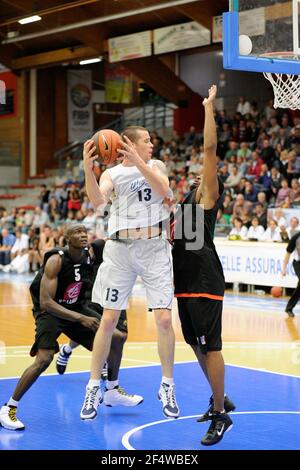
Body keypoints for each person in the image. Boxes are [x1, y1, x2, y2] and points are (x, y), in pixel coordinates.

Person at [0, 223, 142, 431]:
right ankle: (9, 408)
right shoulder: (56, 260)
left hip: (76, 307)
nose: (83, 235)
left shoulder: (90, 256)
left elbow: (112, 240)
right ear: (66, 239)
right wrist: (80, 318)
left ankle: (111, 389)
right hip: (49, 313)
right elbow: (46, 301)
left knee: (118, 337)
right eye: (77, 232)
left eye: (84, 231)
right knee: (44, 359)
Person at [80, 125, 178, 421]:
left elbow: (165, 192)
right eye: (147, 140)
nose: (152, 144)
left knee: (163, 317)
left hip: (154, 248)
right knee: (108, 320)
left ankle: (167, 385)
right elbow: (98, 202)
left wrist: (139, 162)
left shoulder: (156, 165)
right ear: (130, 143)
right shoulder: (112, 174)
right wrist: (88, 169)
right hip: (120, 249)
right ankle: (93, 387)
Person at [172, 85, 235, 446]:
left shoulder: (207, 198)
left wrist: (208, 109)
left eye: (206, 175)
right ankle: (219, 395)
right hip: (183, 282)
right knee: (196, 346)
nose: (199, 175)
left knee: (210, 347)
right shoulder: (185, 203)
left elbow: (210, 149)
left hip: (205, 280)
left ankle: (220, 415)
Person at [281, 231, 300, 317]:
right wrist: (284, 269)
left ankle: (289, 308)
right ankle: (289, 308)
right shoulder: (296, 237)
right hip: (298, 263)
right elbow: (288, 254)